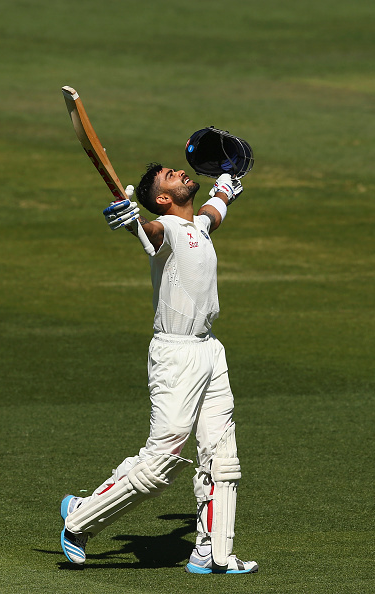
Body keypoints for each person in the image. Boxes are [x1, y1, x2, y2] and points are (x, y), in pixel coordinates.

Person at [60, 164, 258, 575]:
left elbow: (213, 213)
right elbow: (148, 232)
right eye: (170, 175)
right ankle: (80, 518)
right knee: (162, 461)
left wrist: (225, 188)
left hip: (210, 350)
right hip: (176, 353)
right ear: (163, 198)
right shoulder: (163, 229)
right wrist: (133, 221)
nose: (181, 172)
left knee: (222, 457)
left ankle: (212, 553)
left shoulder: (198, 225)